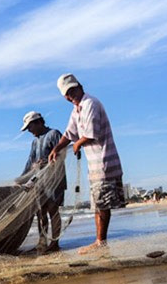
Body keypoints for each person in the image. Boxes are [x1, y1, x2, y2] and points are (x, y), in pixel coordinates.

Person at [49, 73, 125, 254]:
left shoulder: (90, 103)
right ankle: (100, 241)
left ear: (80, 86)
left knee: (102, 205)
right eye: (66, 94)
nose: (69, 96)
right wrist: (57, 148)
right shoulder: (77, 109)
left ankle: (101, 242)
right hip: (95, 166)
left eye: (71, 91)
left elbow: (91, 134)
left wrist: (77, 144)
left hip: (105, 162)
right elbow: (69, 133)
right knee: (98, 205)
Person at [19, 111, 66, 253]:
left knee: (53, 210)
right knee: (40, 212)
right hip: (40, 181)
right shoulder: (35, 141)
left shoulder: (53, 134)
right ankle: (42, 241)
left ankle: (55, 242)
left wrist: (47, 162)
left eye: (30, 127)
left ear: (39, 122)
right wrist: (22, 178)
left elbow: (62, 153)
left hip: (55, 180)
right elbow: (30, 162)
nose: (29, 131)